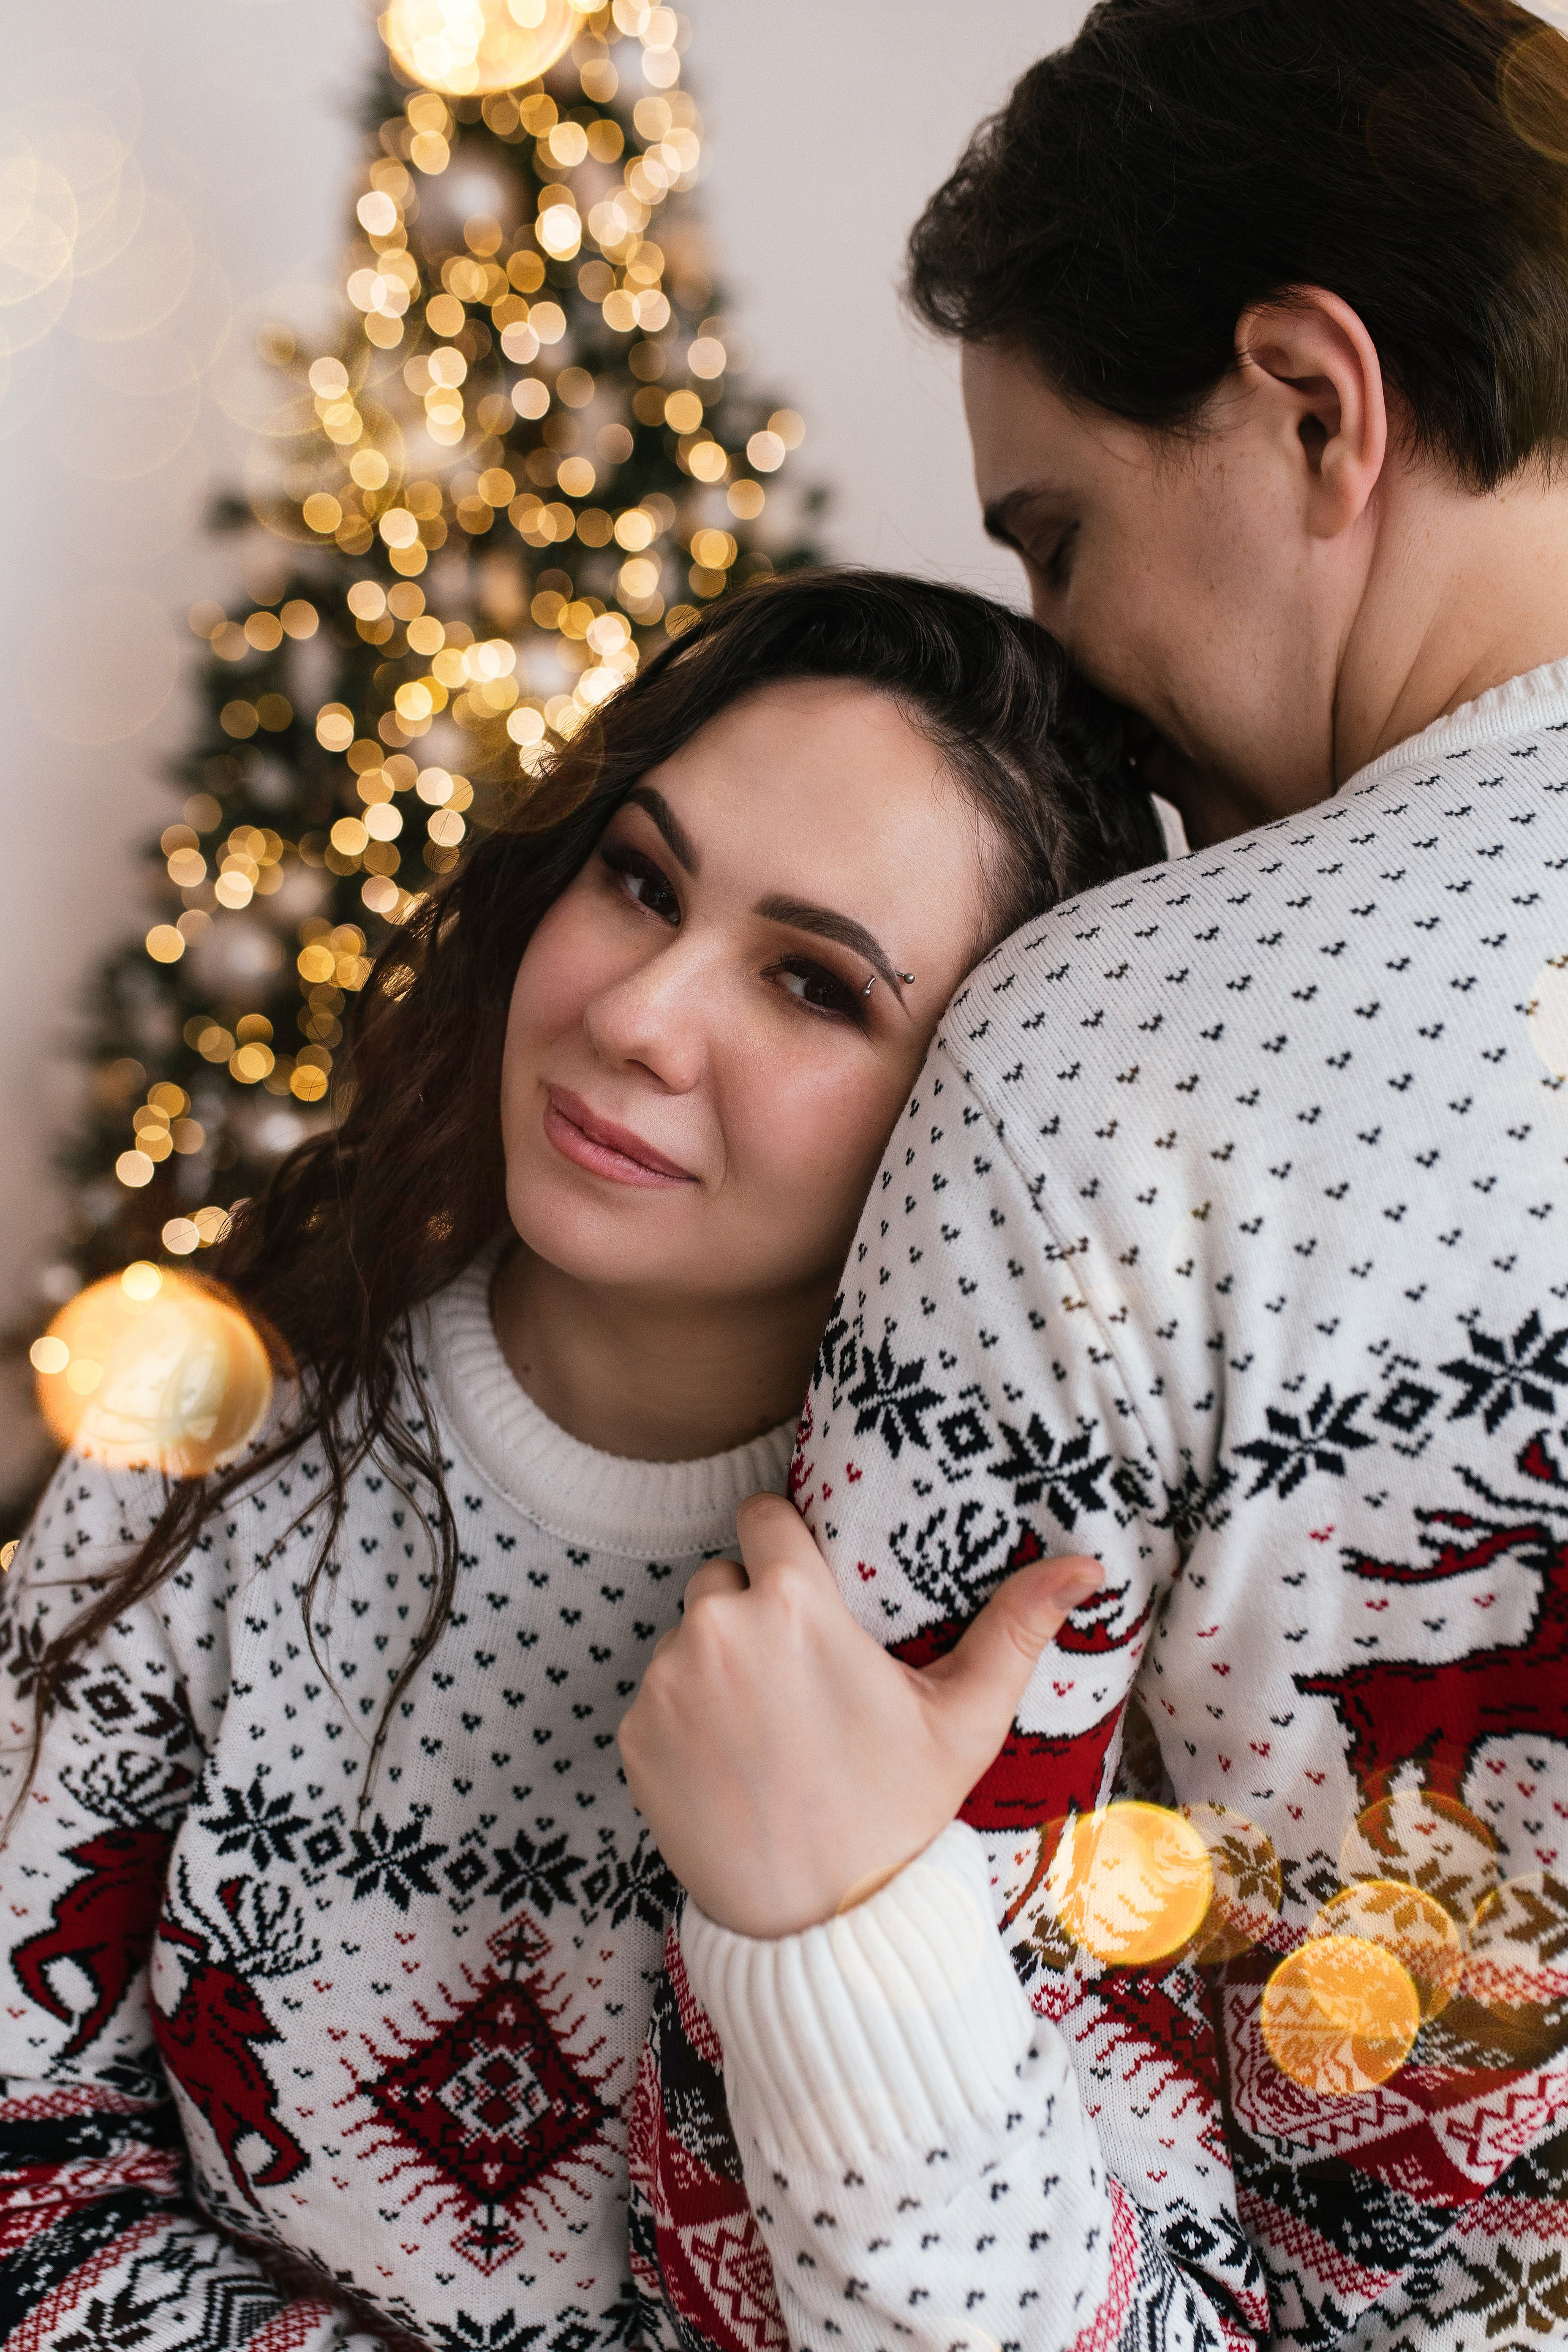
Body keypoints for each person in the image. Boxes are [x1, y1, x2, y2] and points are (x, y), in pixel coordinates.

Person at [619, 5, 1568, 2350]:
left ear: (1310, 399)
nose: (1075, 667)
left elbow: (824, 2253)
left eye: (1062, 537)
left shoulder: (1132, 1045)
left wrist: (820, 1931)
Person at [0, 570, 1164, 2351]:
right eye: (640, 878)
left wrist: (847, 1923)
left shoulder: (1036, 1634)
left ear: (978, 1106)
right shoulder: (205, 1441)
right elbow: (27, 2155)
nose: (639, 1014)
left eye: (811, 982)